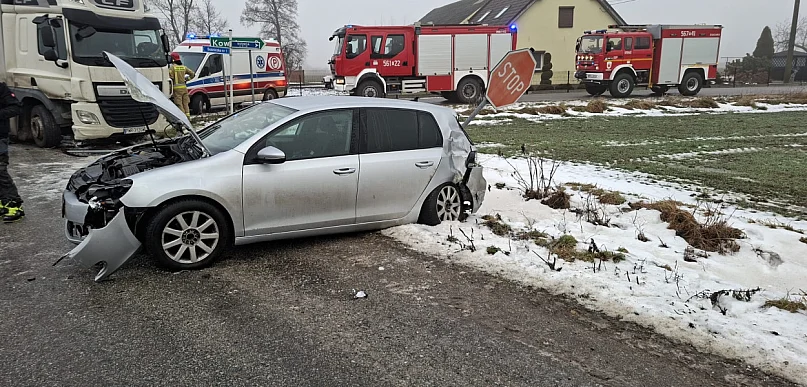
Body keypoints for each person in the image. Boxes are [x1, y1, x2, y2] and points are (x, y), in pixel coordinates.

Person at [0, 81, 24, 223]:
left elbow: (16, 107)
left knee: (0, 172)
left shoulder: (1, 88)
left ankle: (15, 205)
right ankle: (3, 204)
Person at [169, 53, 196, 118]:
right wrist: (187, 79)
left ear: (172, 59)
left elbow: (171, 78)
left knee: (179, 104)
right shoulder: (184, 67)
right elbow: (193, 74)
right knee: (185, 104)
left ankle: (183, 119)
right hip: (184, 88)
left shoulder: (172, 68)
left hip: (176, 89)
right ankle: (188, 117)